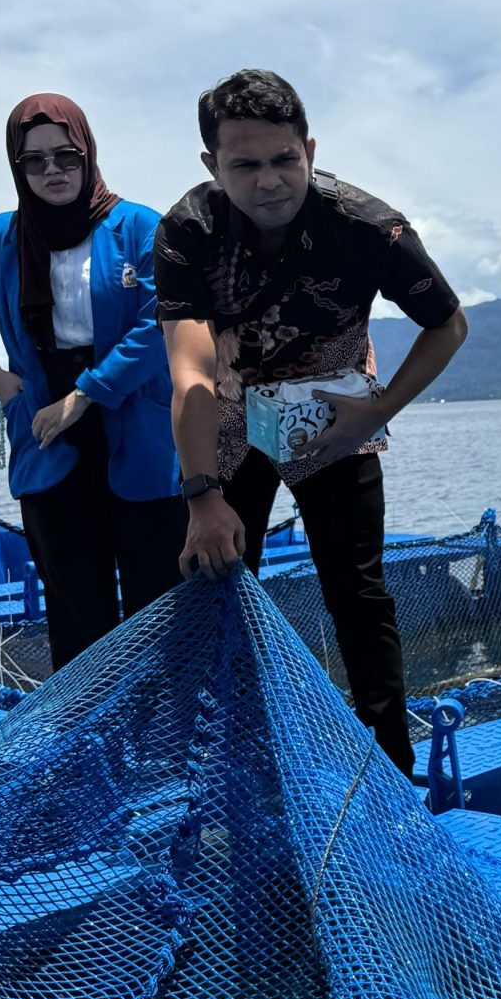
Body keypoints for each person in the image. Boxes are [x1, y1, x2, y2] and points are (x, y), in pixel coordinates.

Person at [155, 69, 468, 774]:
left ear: (310, 150)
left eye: (283, 160)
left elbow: (448, 324)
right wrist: (201, 494)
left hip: (331, 420)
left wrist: (378, 411)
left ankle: (390, 765)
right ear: (213, 166)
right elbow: (190, 371)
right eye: (244, 164)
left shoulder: (369, 227)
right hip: (229, 415)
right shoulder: (186, 231)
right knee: (221, 584)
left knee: (355, 592)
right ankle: (234, 763)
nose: (269, 181)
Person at [0, 97, 184, 671]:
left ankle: (170, 744)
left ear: (88, 153)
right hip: (46, 436)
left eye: (67, 156)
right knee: (76, 610)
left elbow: (163, 322)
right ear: (16, 167)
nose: (53, 171)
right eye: (34, 161)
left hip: (137, 433)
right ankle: (90, 744)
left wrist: (87, 394)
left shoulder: (140, 227)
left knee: (162, 602)